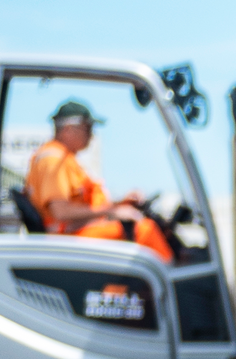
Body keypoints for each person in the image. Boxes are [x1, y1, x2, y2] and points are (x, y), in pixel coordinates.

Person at [23, 99, 173, 263]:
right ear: (68, 129)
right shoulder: (53, 161)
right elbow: (60, 211)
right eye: (88, 128)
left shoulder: (64, 158)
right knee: (145, 230)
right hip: (67, 238)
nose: (92, 135)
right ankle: (171, 276)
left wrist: (119, 205)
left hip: (74, 233)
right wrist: (111, 211)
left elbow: (84, 205)